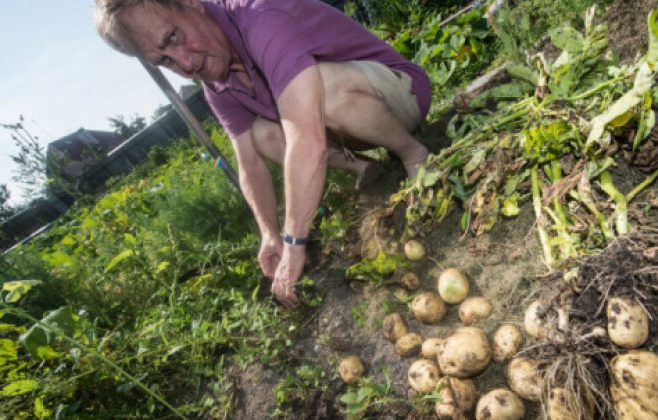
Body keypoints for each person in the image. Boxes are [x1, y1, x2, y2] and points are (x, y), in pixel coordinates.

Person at [93, 0, 432, 308]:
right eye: (164, 60)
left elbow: (307, 138)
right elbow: (248, 163)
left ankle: (414, 154)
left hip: (399, 94)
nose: (185, 62)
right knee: (260, 134)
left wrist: (294, 240)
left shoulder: (261, 16)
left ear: (191, 4)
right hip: (350, 126)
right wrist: (269, 233)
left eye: (173, 36)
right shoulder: (217, 83)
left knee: (318, 91)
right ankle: (365, 170)